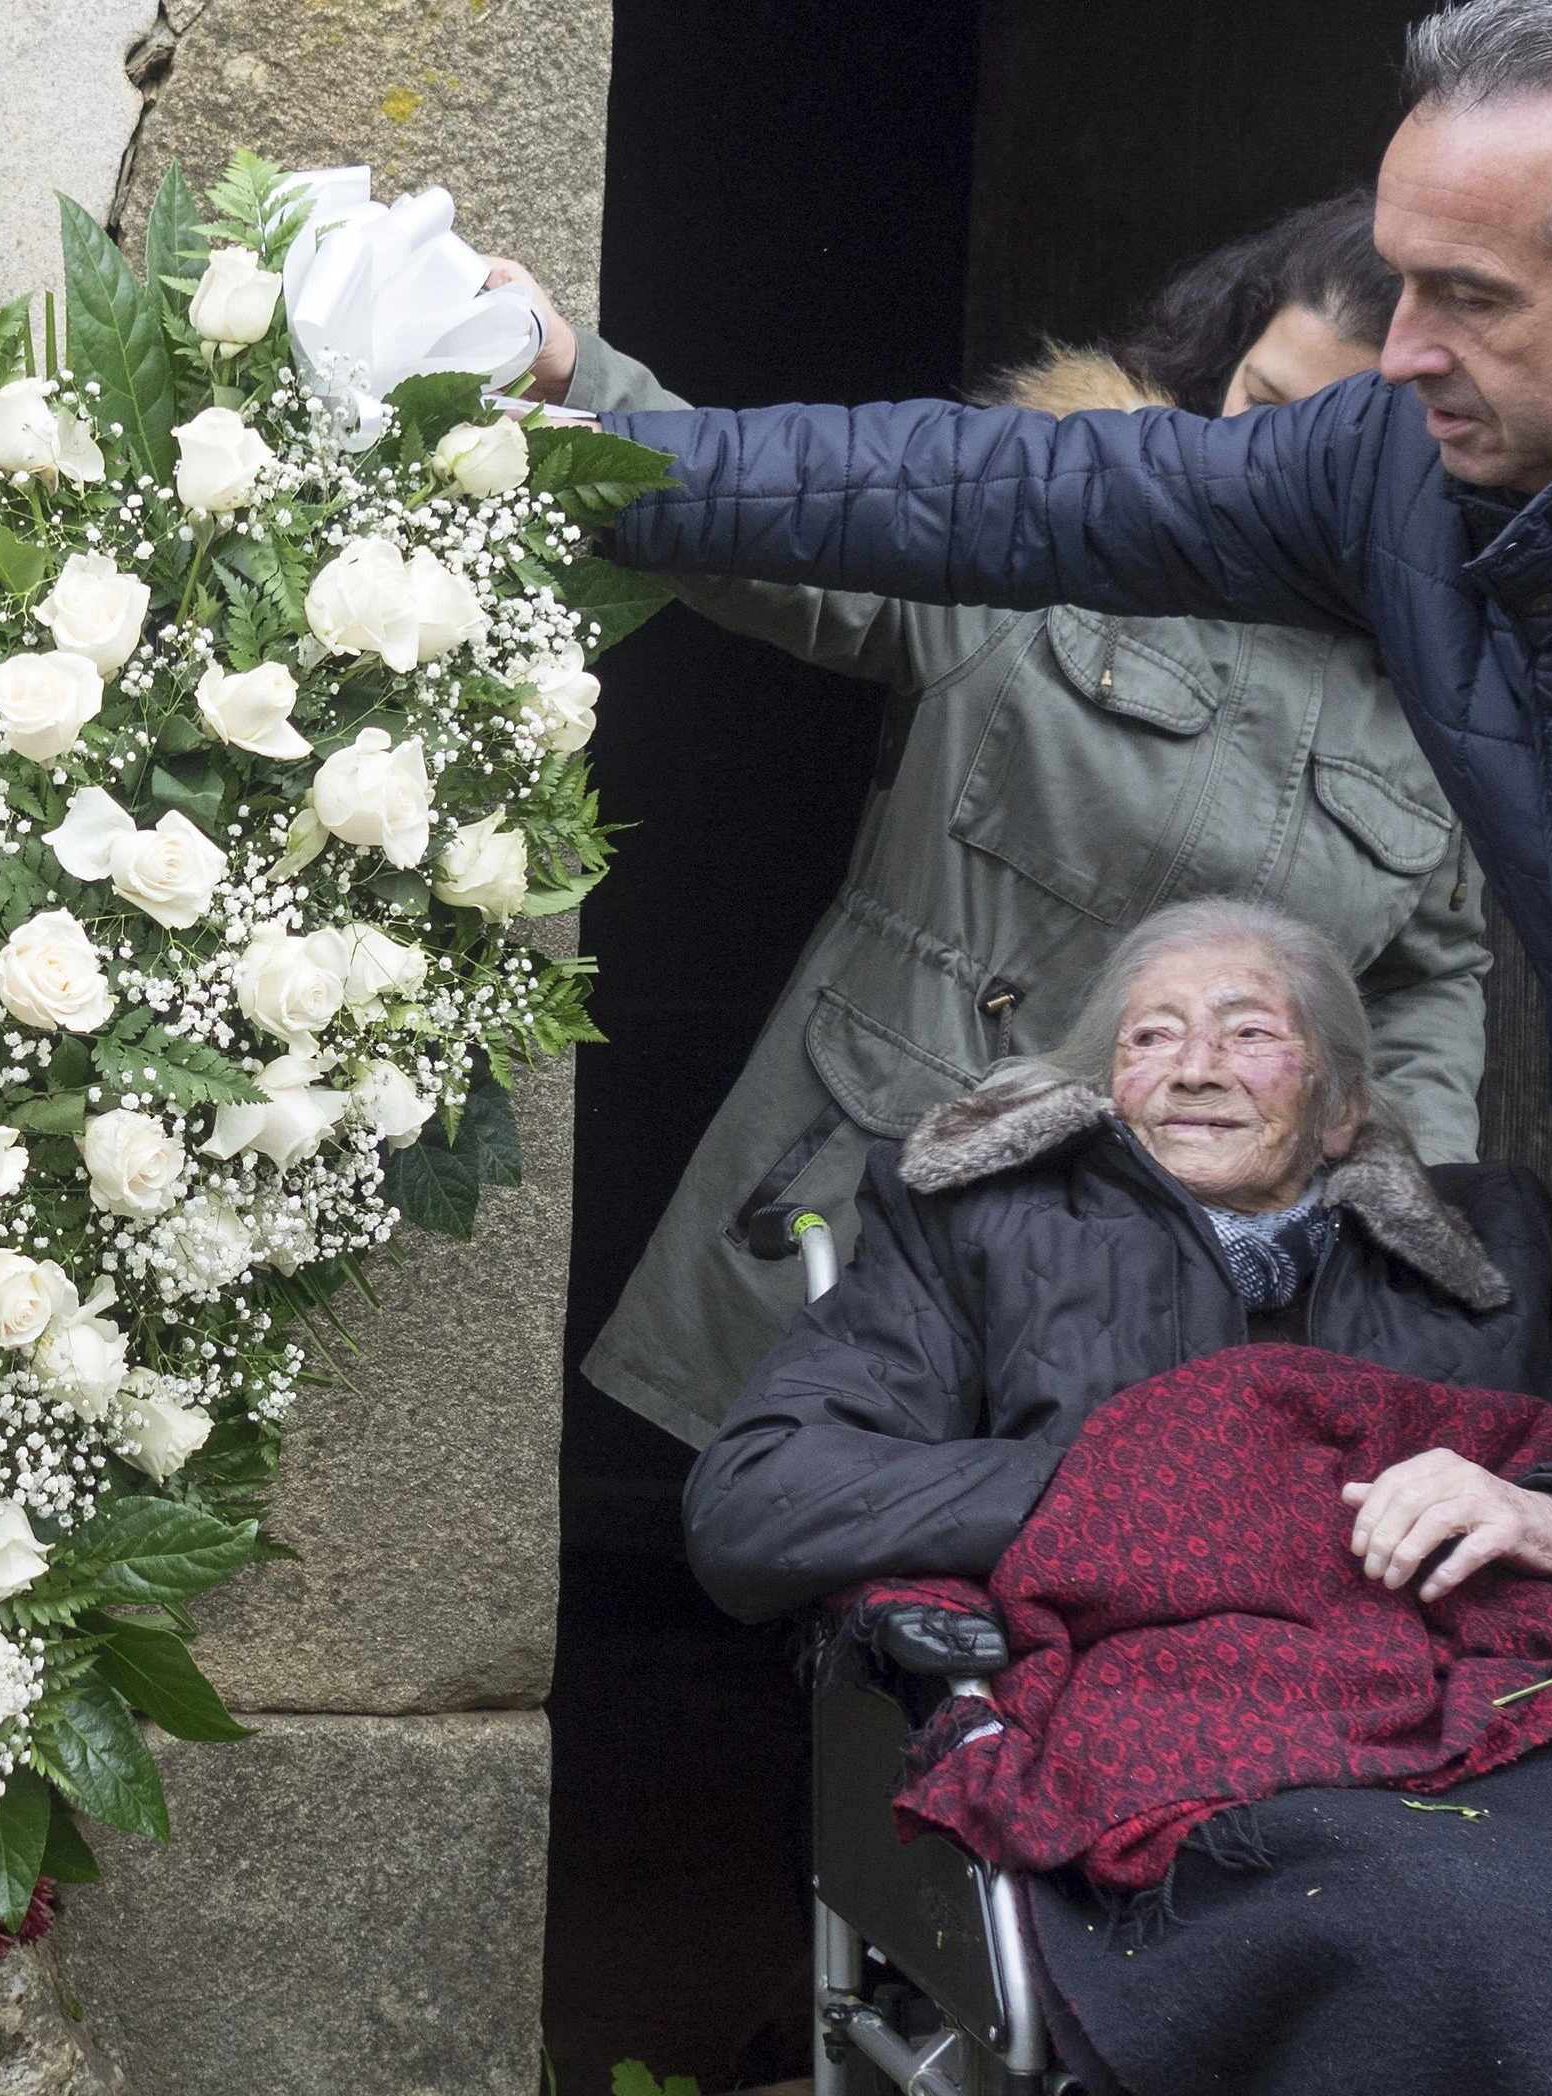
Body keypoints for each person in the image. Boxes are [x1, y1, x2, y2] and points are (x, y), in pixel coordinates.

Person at [532, 0, 1552, 2096]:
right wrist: (575, 427)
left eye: (1466, 295)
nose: (1402, 347)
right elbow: (1006, 489)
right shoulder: (1411, 459)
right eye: (1392, 271)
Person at [692, 896, 1552, 2096]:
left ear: (1344, 1109)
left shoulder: (1471, 1265)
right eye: (1153, 1034)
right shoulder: (982, 1232)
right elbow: (759, 1492)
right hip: (1194, 1755)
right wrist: (1158, 1492)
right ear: (1103, 1083)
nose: (1195, 1064)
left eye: (1251, 1034)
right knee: (1439, 1928)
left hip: (1490, 1726)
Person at [542, 193, 1490, 1450]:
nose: (1274, 458)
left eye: (1332, 440)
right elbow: (799, 529)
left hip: (1198, 1271)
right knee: (799, 1553)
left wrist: (1403, 1214)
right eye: (1260, 403)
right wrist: (576, 386)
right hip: (876, 1180)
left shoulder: (1444, 669)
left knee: (1116, 1590)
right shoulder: (1066, 506)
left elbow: (1424, 975)